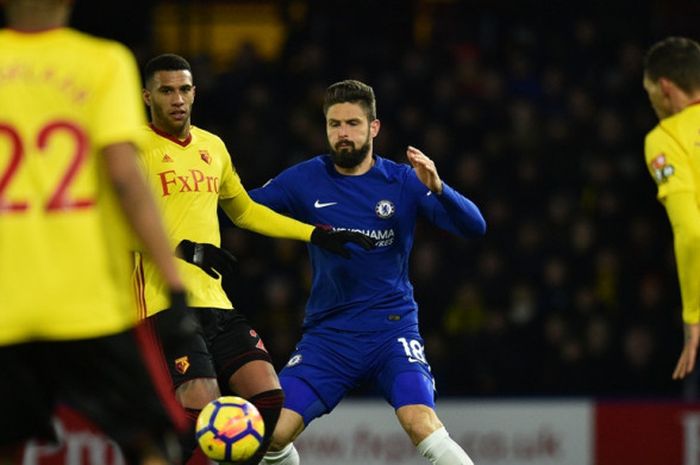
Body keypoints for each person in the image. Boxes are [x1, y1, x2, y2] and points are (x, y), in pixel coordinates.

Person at [136, 54, 374, 464]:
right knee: (203, 409)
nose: (177, 99)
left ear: (195, 93)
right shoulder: (134, 147)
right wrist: (183, 250)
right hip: (163, 302)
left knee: (268, 398)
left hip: (216, 302)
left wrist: (315, 234)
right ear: (147, 96)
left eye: (184, 89)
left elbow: (244, 210)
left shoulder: (213, 147)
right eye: (167, 90)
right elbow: (114, 223)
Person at [246, 80, 485, 465]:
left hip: (391, 329)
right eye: (334, 124)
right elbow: (244, 209)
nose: (343, 134)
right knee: (272, 434)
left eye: (353, 124)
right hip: (329, 335)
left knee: (420, 422)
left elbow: (475, 228)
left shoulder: (403, 181)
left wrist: (440, 188)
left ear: (374, 128)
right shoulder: (305, 179)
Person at [0, 1, 194, 465]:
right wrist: (174, 281)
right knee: (150, 444)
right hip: (87, 302)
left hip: (5, 301)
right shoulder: (103, 62)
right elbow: (126, 180)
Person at [643, 36, 700, 381]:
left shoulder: (665, 138)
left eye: (648, 91)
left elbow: (692, 232)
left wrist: (693, 317)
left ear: (664, 87)